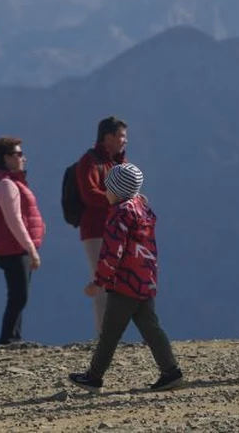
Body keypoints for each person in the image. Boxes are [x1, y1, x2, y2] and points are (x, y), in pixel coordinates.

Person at [68, 163, 184, 393]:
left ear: (116, 190)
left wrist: (99, 281)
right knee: (151, 327)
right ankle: (171, 371)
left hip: (124, 283)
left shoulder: (119, 215)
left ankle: (94, 377)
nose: (106, 193)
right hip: (145, 278)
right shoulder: (142, 209)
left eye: (108, 188)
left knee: (110, 332)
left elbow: (113, 252)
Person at [0, 136, 46, 346]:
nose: (23, 158)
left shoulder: (10, 182)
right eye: (18, 154)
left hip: (12, 247)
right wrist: (31, 249)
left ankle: (14, 337)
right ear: (6, 158)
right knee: (19, 295)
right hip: (12, 248)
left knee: (19, 293)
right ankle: (8, 339)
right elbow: (14, 220)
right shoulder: (6, 184)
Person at [74, 116, 128, 337]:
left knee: (118, 282)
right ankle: (104, 337)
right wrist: (119, 198)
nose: (125, 141)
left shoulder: (119, 163)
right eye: (122, 136)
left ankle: (112, 334)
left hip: (119, 229)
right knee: (103, 283)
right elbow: (90, 194)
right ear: (108, 137)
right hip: (96, 231)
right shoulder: (90, 161)